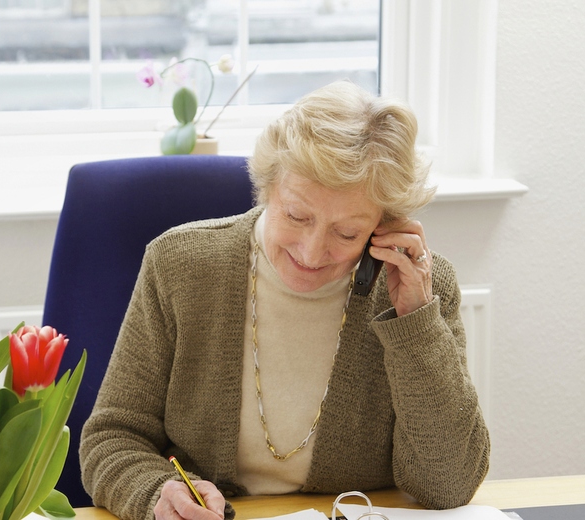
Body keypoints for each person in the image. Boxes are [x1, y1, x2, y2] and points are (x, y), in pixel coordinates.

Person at [79, 80, 490, 520]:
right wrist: (156, 493)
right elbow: (112, 438)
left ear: (384, 225)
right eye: (297, 216)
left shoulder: (422, 289)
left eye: (347, 232)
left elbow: (447, 484)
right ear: (268, 186)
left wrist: (415, 323)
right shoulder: (180, 265)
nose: (312, 253)